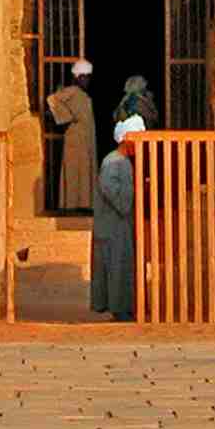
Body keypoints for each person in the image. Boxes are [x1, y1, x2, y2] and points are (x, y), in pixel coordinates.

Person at [93, 115, 144, 321]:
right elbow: (110, 189)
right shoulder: (113, 162)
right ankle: (119, 309)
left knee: (122, 264)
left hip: (119, 223)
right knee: (116, 265)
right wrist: (129, 199)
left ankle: (124, 307)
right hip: (112, 224)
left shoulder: (122, 161)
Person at [45, 58, 95, 218]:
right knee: (73, 171)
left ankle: (83, 204)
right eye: (83, 77)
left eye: (88, 77)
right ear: (77, 77)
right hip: (74, 139)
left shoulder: (83, 96)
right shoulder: (72, 91)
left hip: (85, 140)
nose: (86, 80)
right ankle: (71, 205)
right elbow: (52, 99)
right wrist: (65, 116)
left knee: (84, 172)